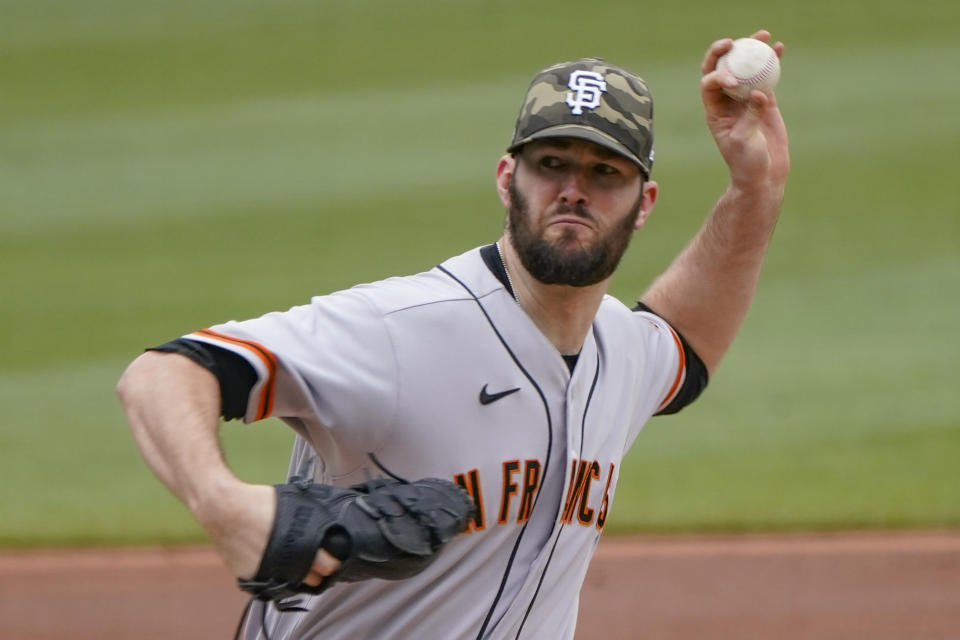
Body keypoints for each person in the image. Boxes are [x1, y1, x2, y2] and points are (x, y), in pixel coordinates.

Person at [117, 32, 789, 640]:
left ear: (643, 204)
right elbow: (161, 375)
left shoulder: (621, 350)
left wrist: (754, 189)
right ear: (508, 179)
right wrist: (226, 505)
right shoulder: (397, 331)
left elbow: (686, 342)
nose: (573, 190)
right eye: (551, 163)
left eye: (604, 173)